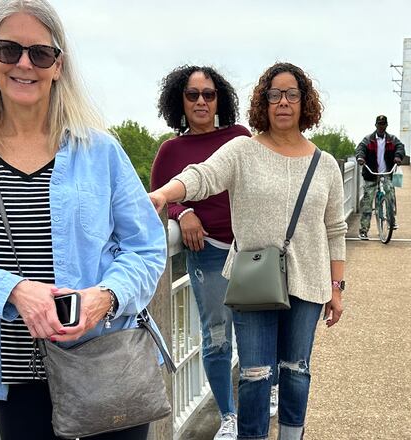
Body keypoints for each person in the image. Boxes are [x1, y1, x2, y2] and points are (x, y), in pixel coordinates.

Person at [0, 1, 166, 439]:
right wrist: (14, 290)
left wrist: (105, 297)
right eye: (9, 49)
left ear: (58, 65)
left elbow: (146, 247)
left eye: (40, 53)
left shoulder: (100, 150)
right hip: (18, 377)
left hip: (104, 364)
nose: (24, 64)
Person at [149, 62, 347, 440]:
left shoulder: (327, 166)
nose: (283, 102)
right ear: (263, 103)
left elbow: (335, 230)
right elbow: (202, 176)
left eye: (292, 94)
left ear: (305, 103)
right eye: (275, 95)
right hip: (254, 280)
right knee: (255, 375)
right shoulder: (242, 150)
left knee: (296, 370)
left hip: (309, 278)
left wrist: (337, 288)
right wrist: (163, 195)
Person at [151, 65, 251, 440]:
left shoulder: (239, 137)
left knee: (256, 330)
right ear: (180, 100)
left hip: (249, 252)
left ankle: (260, 400)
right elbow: (159, 198)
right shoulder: (170, 150)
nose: (201, 101)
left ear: (219, 99)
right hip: (206, 250)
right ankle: (228, 417)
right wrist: (184, 212)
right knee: (217, 335)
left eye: (208, 94)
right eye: (192, 94)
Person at [355, 115, 405, 240]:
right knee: (367, 203)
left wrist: (398, 156)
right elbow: (360, 149)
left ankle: (391, 219)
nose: (381, 126)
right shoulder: (368, 139)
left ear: (386, 125)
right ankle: (363, 230)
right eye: (379, 124)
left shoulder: (392, 139)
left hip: (386, 173)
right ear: (376, 125)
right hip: (371, 174)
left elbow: (400, 147)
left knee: (390, 195)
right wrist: (360, 158)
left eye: (383, 124)